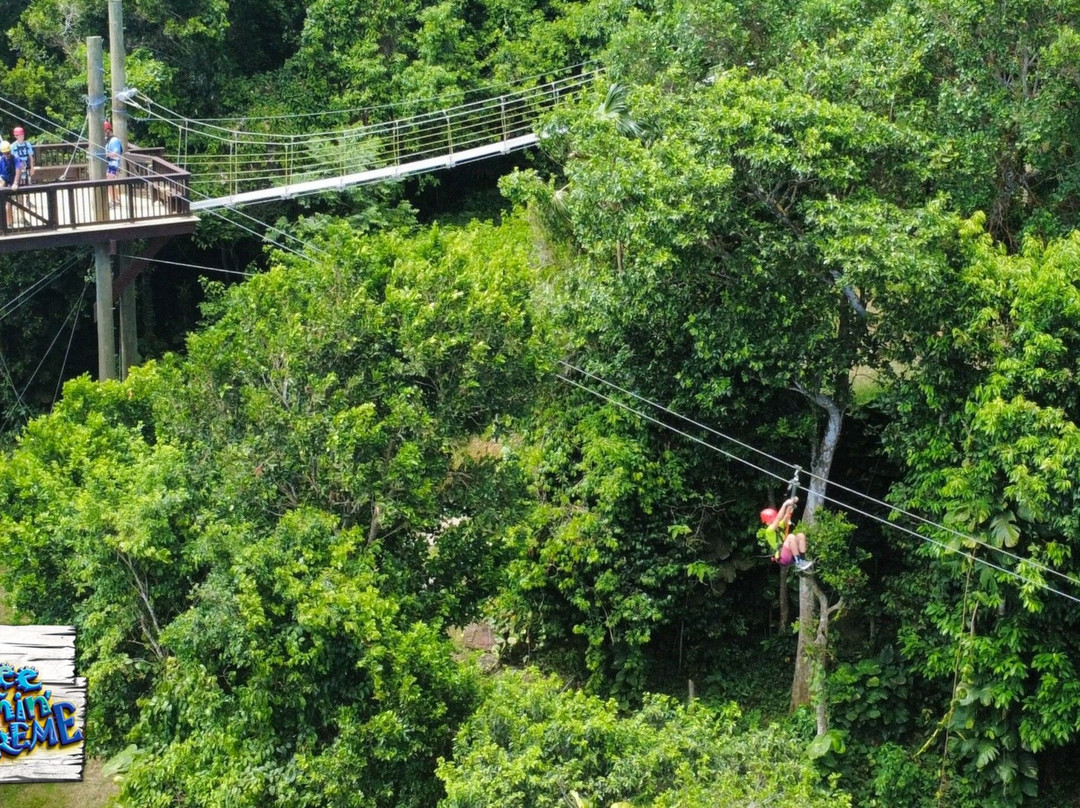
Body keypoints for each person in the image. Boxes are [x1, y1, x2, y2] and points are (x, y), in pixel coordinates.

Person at [759, 497, 813, 572]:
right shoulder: (769, 531)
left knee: (801, 535)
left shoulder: (779, 525)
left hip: (789, 552)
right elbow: (778, 518)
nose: (775, 520)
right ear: (767, 522)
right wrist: (784, 504)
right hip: (783, 557)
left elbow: (787, 515)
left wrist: (792, 502)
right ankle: (798, 562)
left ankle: (802, 560)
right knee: (791, 537)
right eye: (773, 519)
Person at [104, 120, 123, 207]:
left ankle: (113, 201)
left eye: (104, 131)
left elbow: (116, 153)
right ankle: (116, 199)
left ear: (108, 130)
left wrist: (105, 155)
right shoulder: (108, 140)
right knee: (112, 183)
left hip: (114, 164)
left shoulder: (114, 140)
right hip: (111, 163)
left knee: (110, 183)